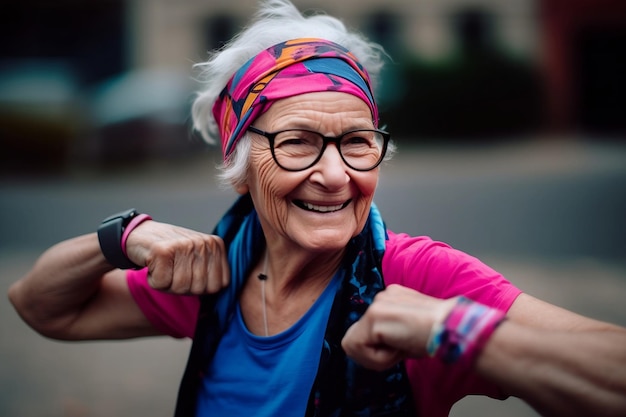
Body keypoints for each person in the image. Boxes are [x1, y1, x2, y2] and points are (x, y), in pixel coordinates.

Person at [8, 1, 626, 416]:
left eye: (358, 143)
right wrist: (123, 238)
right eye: (298, 142)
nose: (335, 175)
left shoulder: (418, 278)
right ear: (241, 166)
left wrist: (453, 331)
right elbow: (41, 308)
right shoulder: (215, 274)